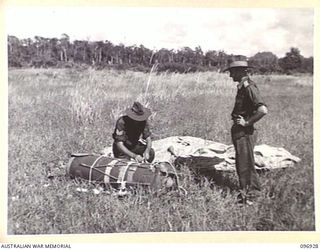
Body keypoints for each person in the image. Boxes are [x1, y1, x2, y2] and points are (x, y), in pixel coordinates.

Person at [224, 59, 268, 205]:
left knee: (246, 164)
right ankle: (246, 193)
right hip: (240, 131)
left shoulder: (249, 87)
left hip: (245, 131)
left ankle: (251, 197)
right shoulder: (242, 86)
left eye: (232, 72)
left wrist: (247, 122)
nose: (230, 75)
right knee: (242, 163)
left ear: (242, 71)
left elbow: (262, 110)